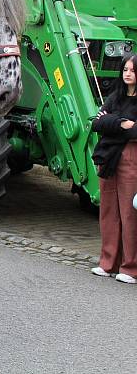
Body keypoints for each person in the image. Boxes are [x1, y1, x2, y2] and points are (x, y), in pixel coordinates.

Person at [90, 53, 137, 284]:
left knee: (130, 214)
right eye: (125, 69)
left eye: (132, 70)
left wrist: (112, 122)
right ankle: (108, 263)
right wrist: (120, 123)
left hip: (131, 157)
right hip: (109, 158)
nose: (128, 73)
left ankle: (130, 268)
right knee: (108, 211)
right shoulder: (115, 97)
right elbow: (96, 123)